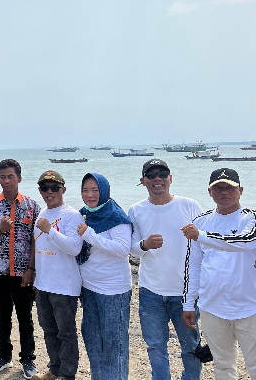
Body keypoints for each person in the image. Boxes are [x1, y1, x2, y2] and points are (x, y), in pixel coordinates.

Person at [128, 159, 202, 380]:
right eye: (151, 175)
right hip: (151, 292)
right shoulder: (136, 210)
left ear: (171, 178)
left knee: (191, 346)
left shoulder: (190, 206)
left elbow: (207, 244)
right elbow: (130, 248)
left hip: (185, 292)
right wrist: (145, 245)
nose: (157, 178)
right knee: (155, 346)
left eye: (162, 173)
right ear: (143, 181)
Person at [181, 168, 256, 380]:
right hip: (212, 307)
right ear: (209, 191)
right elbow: (193, 266)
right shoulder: (200, 222)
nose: (224, 192)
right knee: (223, 366)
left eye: (229, 187)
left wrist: (202, 236)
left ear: (240, 190)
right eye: (218, 187)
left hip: (249, 307)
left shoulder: (251, 219)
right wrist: (188, 304)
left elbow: (245, 241)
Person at [0, 159, 39, 378]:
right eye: (3, 177)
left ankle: (28, 359)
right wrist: (0, 230)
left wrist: (31, 268)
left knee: (25, 316)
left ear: (19, 178)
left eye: (10, 176)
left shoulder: (32, 206)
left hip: (23, 271)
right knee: (2, 314)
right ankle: (3, 356)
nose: (6, 180)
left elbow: (36, 240)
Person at [77, 172, 133, 380]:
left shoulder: (115, 216)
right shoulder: (84, 213)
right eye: (85, 190)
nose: (90, 195)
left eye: (95, 190)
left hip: (113, 290)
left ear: (104, 191)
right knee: (91, 336)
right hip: (89, 287)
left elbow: (122, 249)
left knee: (113, 341)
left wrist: (89, 234)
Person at [30, 171, 83, 380]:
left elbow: (74, 248)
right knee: (48, 329)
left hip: (64, 285)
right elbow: (36, 245)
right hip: (43, 283)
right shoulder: (41, 213)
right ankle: (54, 369)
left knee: (66, 333)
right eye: (44, 188)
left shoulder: (72, 215)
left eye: (54, 187)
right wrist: (31, 271)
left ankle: (67, 374)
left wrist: (50, 231)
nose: (49, 192)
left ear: (63, 190)